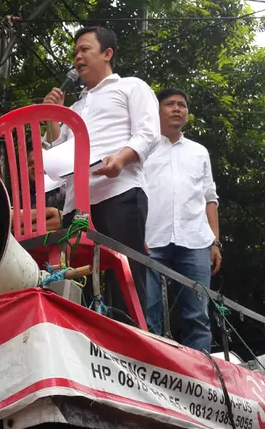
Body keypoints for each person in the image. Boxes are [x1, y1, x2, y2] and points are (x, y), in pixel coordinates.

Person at [43, 26, 159, 315]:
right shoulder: (76, 107)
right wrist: (55, 118)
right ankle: (81, 339)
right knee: (74, 277)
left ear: (107, 53)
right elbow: (62, 151)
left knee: (126, 276)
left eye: (85, 49)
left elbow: (148, 132)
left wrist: (120, 159)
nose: (78, 57)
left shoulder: (131, 86)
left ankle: (132, 344)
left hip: (119, 191)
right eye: (75, 53)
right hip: (76, 203)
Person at [144, 89, 222, 353]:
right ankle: (147, 374)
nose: (177, 108)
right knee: (147, 313)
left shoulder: (199, 152)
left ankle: (198, 381)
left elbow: (210, 197)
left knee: (197, 316)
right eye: (170, 104)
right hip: (150, 238)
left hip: (196, 240)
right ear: (157, 110)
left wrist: (215, 242)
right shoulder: (144, 146)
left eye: (182, 105)